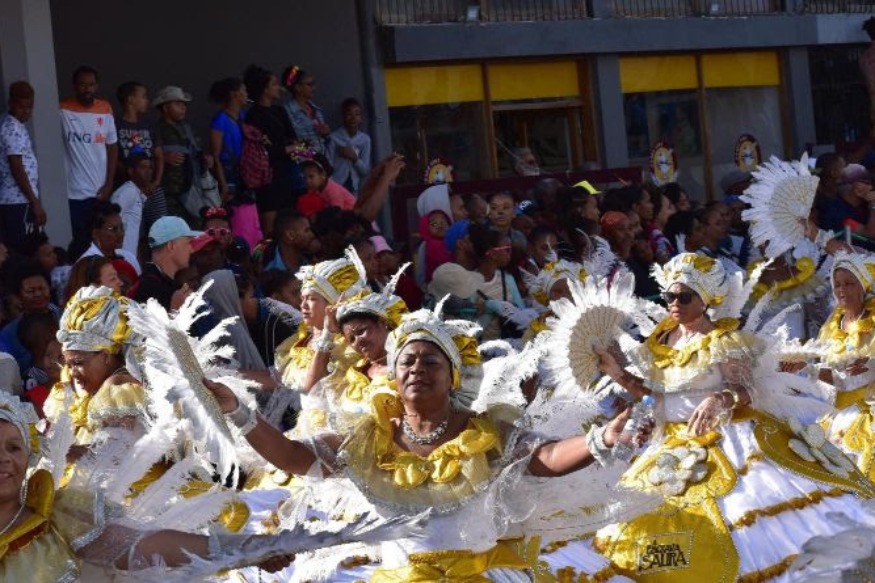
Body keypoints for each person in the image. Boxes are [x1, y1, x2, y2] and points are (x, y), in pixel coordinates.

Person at [206, 304, 650, 581]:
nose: (418, 367)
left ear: (452, 375)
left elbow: (543, 457)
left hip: (480, 574)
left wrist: (600, 439)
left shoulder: (485, 433)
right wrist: (238, 411)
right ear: (395, 377)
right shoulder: (366, 440)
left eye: (431, 360)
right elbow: (294, 457)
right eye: (408, 360)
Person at [593, 253, 875, 582]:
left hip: (730, 442)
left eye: (684, 297)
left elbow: (749, 390)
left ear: (705, 300)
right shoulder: (659, 342)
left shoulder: (724, 341)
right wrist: (617, 374)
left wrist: (721, 398)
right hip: (670, 448)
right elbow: (652, 393)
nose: (675, 304)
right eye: (670, 296)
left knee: (755, 522)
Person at [60, 66, 118, 254]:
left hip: (100, 191)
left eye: (91, 85)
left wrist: (109, 183)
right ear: (75, 87)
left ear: (97, 86)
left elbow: (112, 147)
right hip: (74, 193)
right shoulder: (62, 110)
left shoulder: (105, 109)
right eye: (83, 85)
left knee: (103, 241)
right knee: (81, 242)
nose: (87, 89)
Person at [243, 65, 302, 237]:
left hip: (287, 173)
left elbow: (293, 139)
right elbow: (260, 149)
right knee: (270, 227)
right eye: (274, 84)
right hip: (267, 177)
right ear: (265, 89)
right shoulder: (253, 115)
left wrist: (295, 149)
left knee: (290, 221)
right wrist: (286, 148)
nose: (279, 88)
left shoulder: (279, 110)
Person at [0, 81, 45, 250]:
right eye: (21, 107)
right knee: (24, 249)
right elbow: (16, 166)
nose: (26, 111)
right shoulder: (12, 128)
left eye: (30, 107)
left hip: (19, 200)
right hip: (17, 200)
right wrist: (35, 202)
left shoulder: (16, 125)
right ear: (11, 104)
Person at [152, 85, 205, 224]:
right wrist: (163, 158)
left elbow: (198, 150)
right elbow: (145, 158)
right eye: (177, 103)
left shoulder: (187, 129)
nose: (183, 107)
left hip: (190, 189)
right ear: (165, 107)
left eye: (184, 104)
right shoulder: (156, 130)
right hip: (168, 192)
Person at [130, 216, 201, 310]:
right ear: (171, 246)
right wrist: (174, 311)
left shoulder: (157, 284)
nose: (191, 250)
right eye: (188, 243)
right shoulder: (150, 289)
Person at [111, 153, 164, 258]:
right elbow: (111, 222)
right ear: (131, 171)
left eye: (150, 168)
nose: (148, 172)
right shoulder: (127, 192)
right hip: (121, 256)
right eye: (143, 167)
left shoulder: (136, 192)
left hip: (130, 256)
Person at [208, 77, 248, 203]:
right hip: (228, 171)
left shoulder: (243, 116)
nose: (246, 94)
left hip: (244, 169)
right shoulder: (220, 121)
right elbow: (216, 156)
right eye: (244, 90)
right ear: (234, 94)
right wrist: (223, 183)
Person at [78, 200, 141, 275]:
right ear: (96, 234)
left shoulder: (129, 257)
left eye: (122, 227)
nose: (121, 234)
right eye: (113, 229)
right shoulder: (85, 266)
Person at [281, 65, 329, 155]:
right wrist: (309, 155)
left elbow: (324, 140)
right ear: (297, 87)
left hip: (323, 162)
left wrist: (326, 133)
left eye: (313, 84)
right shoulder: (286, 112)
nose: (313, 88)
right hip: (303, 163)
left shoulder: (316, 110)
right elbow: (288, 144)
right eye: (309, 85)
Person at [327, 98, 371, 194]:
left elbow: (365, 171)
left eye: (357, 114)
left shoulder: (365, 140)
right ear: (343, 116)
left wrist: (354, 158)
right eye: (349, 114)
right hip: (336, 186)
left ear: (361, 117)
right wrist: (331, 187)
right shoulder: (334, 138)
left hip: (353, 188)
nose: (353, 118)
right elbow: (327, 165)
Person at [114, 81, 153, 181]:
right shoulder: (114, 125)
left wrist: (156, 182)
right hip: (123, 184)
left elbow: (158, 155)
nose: (147, 100)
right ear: (131, 99)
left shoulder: (148, 125)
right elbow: (111, 157)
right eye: (144, 97)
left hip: (149, 185)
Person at [296, 153, 357, 218]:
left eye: (311, 176)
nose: (307, 181)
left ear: (323, 175)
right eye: (305, 178)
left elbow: (338, 214)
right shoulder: (314, 189)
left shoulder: (333, 191)